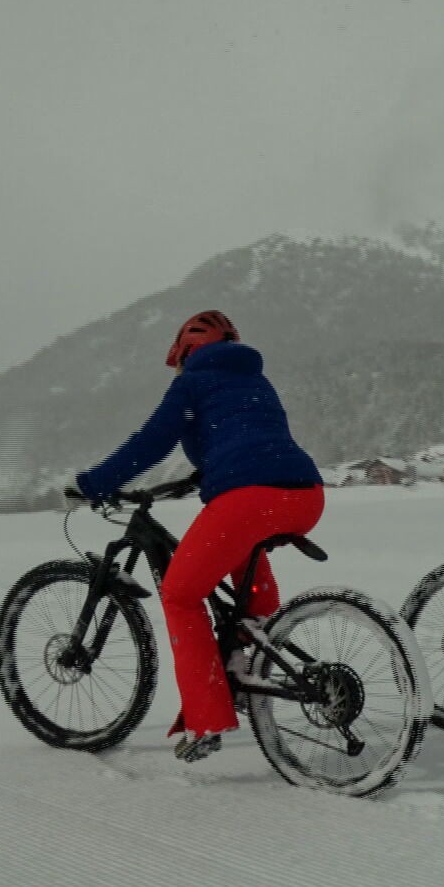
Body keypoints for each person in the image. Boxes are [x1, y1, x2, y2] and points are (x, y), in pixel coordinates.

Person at [69, 310, 323, 762]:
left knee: (181, 594)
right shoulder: (255, 381)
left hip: (248, 497)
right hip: (305, 495)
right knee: (242, 566)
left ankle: (206, 721)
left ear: (185, 353)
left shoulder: (192, 383)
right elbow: (247, 439)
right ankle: (250, 653)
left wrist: (95, 482)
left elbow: (151, 442)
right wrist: (205, 475)